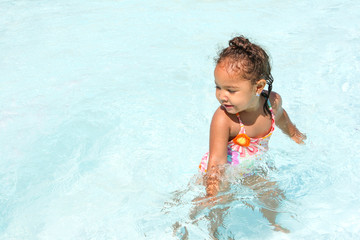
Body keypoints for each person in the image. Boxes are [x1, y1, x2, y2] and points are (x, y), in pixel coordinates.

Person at [195, 35, 306, 233]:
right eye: (218, 87)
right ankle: (214, 232)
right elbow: (216, 163)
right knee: (221, 203)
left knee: (272, 193)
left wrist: (296, 136)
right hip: (223, 172)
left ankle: (273, 224)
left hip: (252, 167)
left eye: (231, 90)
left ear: (258, 87)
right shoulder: (224, 119)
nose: (222, 95)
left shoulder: (272, 104)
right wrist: (212, 193)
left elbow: (282, 119)